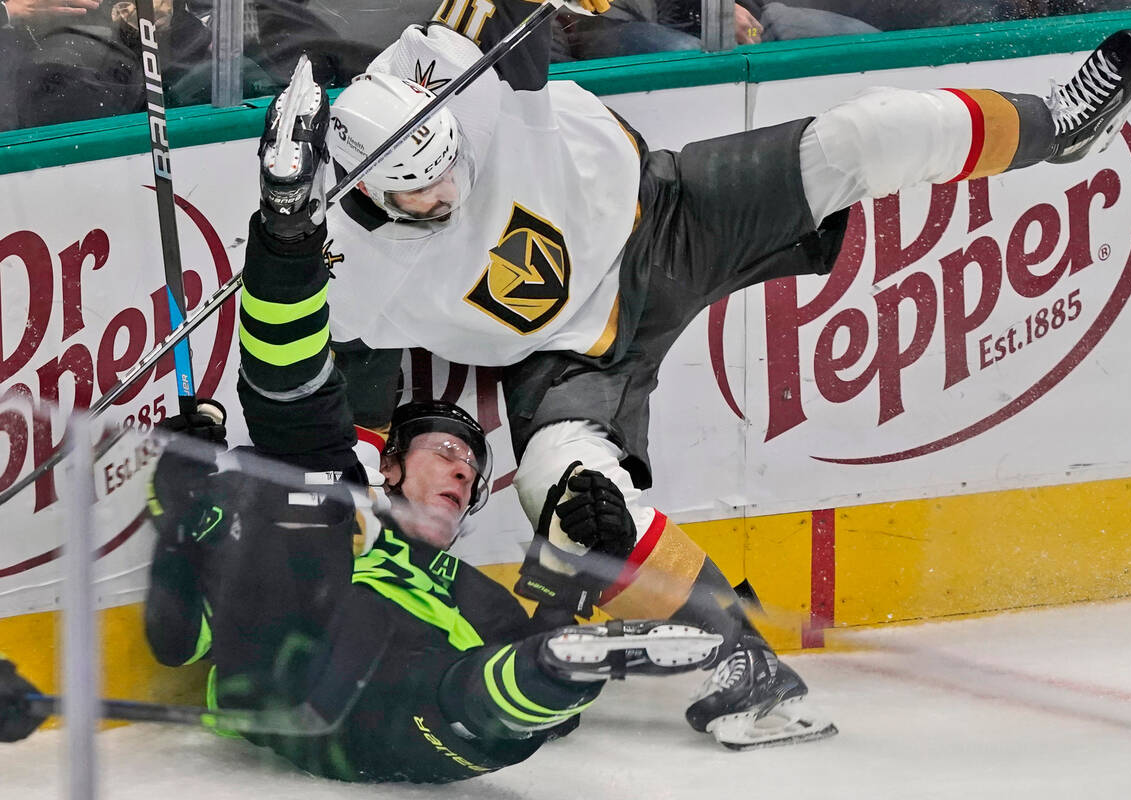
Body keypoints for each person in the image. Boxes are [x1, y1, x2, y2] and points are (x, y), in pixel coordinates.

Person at [265, 0, 1131, 747]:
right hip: (575, 357)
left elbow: (493, 11)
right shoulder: (353, 271)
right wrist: (354, 509)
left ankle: (1061, 125)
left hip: (669, 208)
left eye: (448, 167)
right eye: (421, 194)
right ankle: (740, 654)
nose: (448, 189)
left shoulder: (437, 68)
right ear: (367, 189)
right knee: (571, 495)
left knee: (855, 139)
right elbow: (322, 395)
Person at [129, 162, 726, 782]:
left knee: (493, 691)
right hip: (287, 676)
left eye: (471, 468)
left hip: (400, 727)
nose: (462, 470)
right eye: (444, 450)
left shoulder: (470, 594)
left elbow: (559, 723)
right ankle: (288, 231)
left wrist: (578, 569)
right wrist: (184, 517)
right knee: (312, 469)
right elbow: (182, 643)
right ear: (388, 464)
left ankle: (541, 675)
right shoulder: (319, 510)